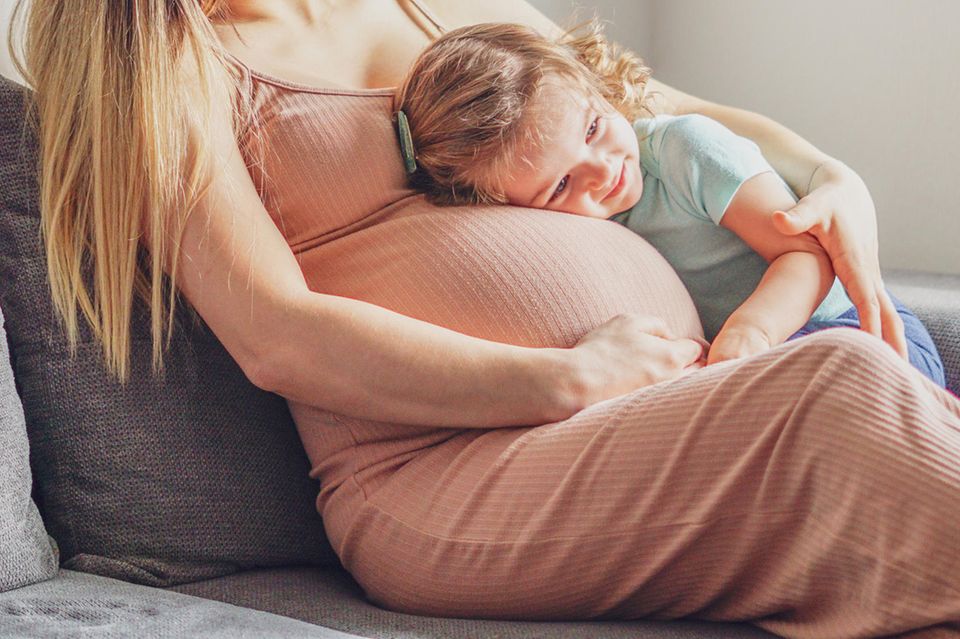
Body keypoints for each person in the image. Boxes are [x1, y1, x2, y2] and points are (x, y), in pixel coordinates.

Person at [15, 0, 960, 637]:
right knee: (836, 390)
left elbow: (658, 111)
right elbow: (276, 334)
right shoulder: (156, 58)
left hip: (634, 409)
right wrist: (563, 376)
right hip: (437, 471)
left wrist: (837, 179)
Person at [393, 21, 946, 386]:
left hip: (849, 327)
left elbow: (807, 255)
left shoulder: (685, 151)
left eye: (593, 129)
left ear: (596, 87)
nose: (603, 171)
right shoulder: (560, 233)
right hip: (751, 361)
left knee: (840, 395)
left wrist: (752, 332)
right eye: (560, 185)